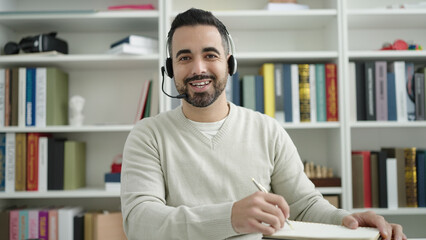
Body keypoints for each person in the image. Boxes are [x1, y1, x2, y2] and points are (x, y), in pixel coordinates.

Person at [120, 8, 406, 240]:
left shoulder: (267, 130)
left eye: (210, 55)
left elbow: (304, 206)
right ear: (171, 70)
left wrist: (346, 221)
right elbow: (140, 223)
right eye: (185, 58)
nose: (198, 69)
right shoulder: (148, 135)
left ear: (229, 64)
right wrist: (230, 218)